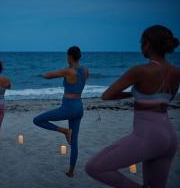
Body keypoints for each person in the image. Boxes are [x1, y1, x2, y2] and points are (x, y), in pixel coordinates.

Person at [85, 25, 180, 188]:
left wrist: (132, 93)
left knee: (94, 167)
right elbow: (166, 99)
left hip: (148, 136)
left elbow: (107, 95)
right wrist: (138, 94)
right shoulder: (176, 72)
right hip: (169, 137)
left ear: (147, 44)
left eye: (141, 43)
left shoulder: (140, 71)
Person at [33, 46, 89, 177]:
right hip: (79, 107)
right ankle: (71, 171)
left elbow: (47, 76)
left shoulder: (69, 71)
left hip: (68, 108)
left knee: (38, 120)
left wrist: (41, 73)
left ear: (70, 56)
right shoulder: (86, 70)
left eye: (67, 56)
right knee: (74, 142)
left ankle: (64, 131)